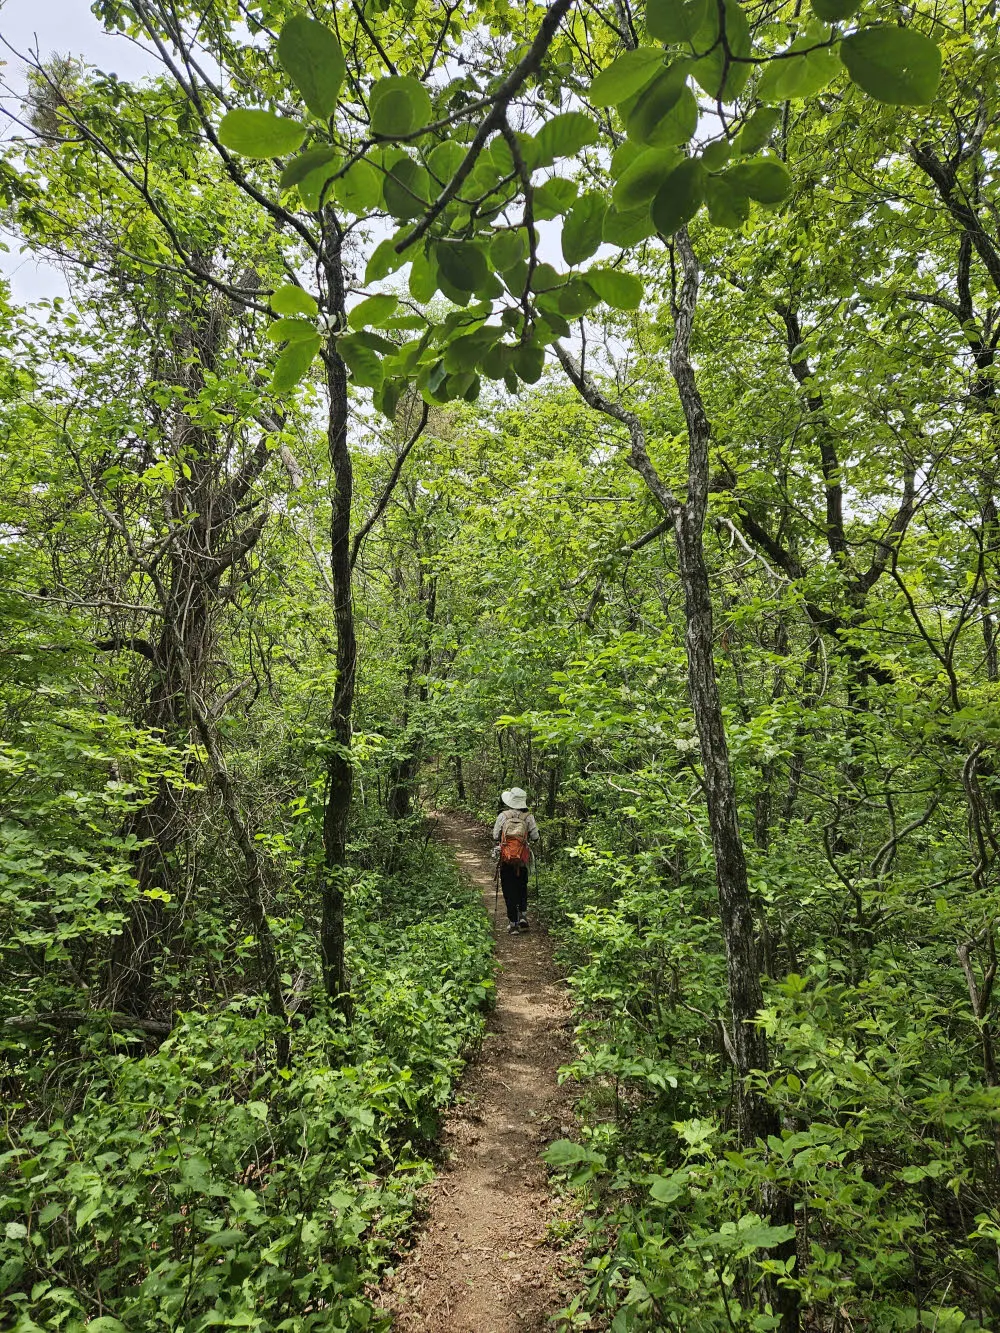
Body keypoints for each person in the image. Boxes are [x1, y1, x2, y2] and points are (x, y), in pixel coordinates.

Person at [492, 786, 539, 934]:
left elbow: (495, 836)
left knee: (509, 889)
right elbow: (535, 837)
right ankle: (523, 916)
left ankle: (513, 923)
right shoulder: (528, 817)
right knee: (521, 887)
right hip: (522, 860)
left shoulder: (503, 816)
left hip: (506, 859)